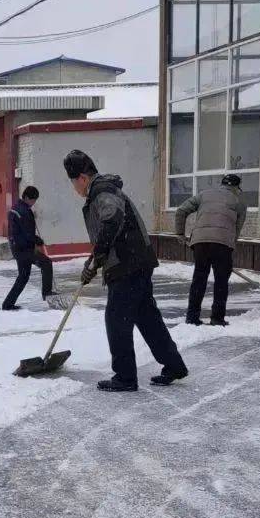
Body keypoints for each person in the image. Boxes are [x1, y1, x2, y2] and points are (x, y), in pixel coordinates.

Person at [63, 150, 189, 392]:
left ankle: (125, 377)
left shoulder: (102, 191)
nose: (74, 188)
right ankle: (174, 365)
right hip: (136, 262)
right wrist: (94, 260)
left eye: (72, 182)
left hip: (127, 264)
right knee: (148, 319)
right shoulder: (104, 189)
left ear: (81, 178)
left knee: (116, 320)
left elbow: (112, 221)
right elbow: (105, 234)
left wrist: (98, 257)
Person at [175, 174, 247, 327]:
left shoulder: (204, 195)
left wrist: (180, 234)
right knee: (221, 282)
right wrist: (230, 247)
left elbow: (181, 210)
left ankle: (192, 317)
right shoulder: (239, 202)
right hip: (222, 244)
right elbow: (236, 229)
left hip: (200, 243)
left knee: (199, 280)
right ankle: (217, 318)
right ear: (236, 187)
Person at [2, 186, 58, 311]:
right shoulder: (24, 211)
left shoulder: (17, 208)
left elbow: (22, 231)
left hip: (17, 247)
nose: (34, 203)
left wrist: (33, 238)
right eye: (33, 200)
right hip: (24, 249)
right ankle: (47, 293)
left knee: (23, 276)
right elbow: (27, 233)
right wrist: (37, 239)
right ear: (27, 197)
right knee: (46, 263)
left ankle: (7, 304)